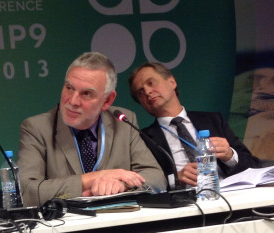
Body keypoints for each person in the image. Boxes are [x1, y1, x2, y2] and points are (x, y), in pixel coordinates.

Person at [17, 52, 165, 206]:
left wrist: (123, 185)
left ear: (107, 100)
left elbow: (156, 177)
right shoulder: (37, 128)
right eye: (69, 88)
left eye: (86, 93)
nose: (73, 101)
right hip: (66, 227)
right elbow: (26, 192)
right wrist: (91, 179)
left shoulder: (123, 121)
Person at [129, 62, 260, 189]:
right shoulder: (144, 138)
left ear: (172, 82)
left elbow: (253, 166)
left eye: (151, 83)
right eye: (140, 92)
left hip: (229, 196)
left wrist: (230, 155)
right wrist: (175, 179)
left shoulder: (213, 120)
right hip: (183, 206)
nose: (147, 92)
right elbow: (145, 183)